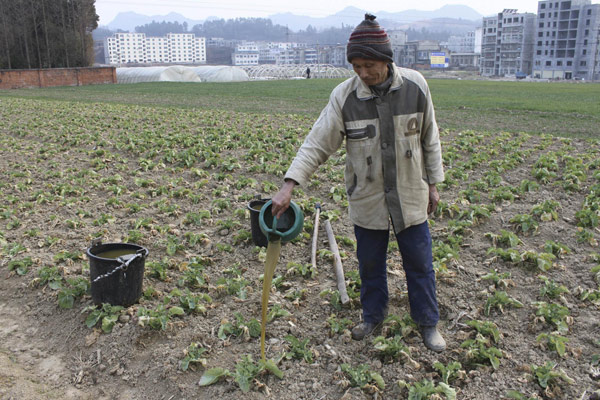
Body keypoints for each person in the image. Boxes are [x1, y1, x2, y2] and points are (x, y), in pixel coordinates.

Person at [271, 14, 446, 352]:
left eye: (369, 65)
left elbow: (430, 138)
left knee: (420, 263)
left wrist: (434, 184)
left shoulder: (416, 87)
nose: (363, 73)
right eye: (356, 66)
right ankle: (373, 316)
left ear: (386, 59)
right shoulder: (344, 97)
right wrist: (289, 185)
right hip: (367, 197)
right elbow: (317, 142)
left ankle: (428, 323)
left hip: (411, 194)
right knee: (369, 263)